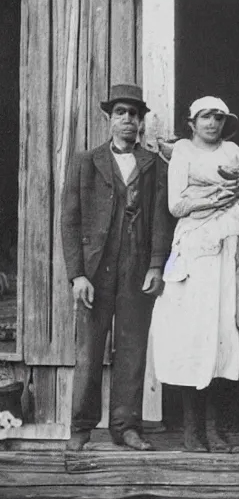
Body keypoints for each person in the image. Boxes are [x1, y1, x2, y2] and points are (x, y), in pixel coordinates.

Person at [61, 83, 172, 451]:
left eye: (134, 115)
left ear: (141, 122)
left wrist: (156, 266)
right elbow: (70, 221)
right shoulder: (85, 162)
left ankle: (125, 426)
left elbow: (159, 219)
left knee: (132, 347)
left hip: (136, 266)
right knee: (89, 350)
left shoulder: (152, 164)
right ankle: (81, 428)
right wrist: (77, 274)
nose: (127, 121)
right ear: (109, 119)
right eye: (120, 114)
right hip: (96, 269)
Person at [150, 96, 239, 452]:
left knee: (224, 335)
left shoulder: (234, 153)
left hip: (228, 248)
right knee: (193, 337)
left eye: (219, 117)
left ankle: (215, 429)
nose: (213, 123)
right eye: (206, 117)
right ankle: (192, 430)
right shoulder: (183, 154)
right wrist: (215, 199)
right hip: (194, 250)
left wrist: (229, 196)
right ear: (191, 122)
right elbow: (176, 204)